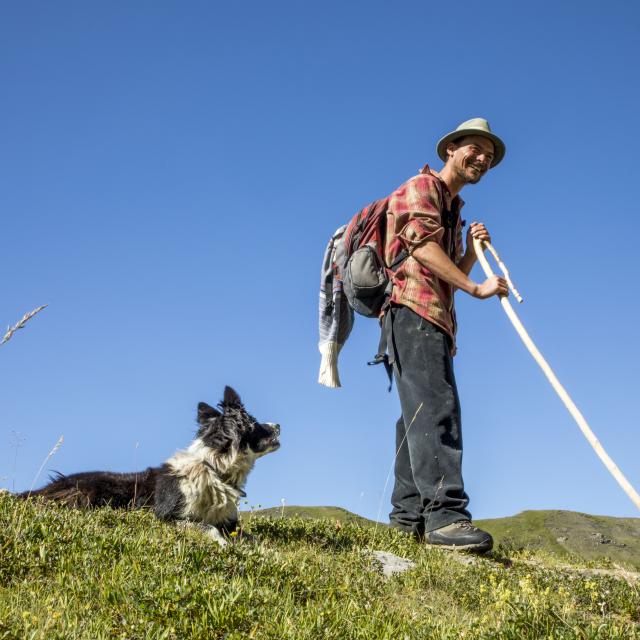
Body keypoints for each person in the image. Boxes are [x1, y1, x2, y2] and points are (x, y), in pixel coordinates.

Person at [383, 118, 508, 552]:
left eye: (489, 157)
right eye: (475, 149)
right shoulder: (423, 187)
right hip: (414, 311)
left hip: (427, 315)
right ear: (451, 149)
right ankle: (447, 519)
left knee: (416, 416)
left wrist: (470, 257)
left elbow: (445, 271)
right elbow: (420, 247)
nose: (482, 160)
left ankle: (409, 521)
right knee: (437, 406)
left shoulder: (451, 207)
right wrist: (476, 288)